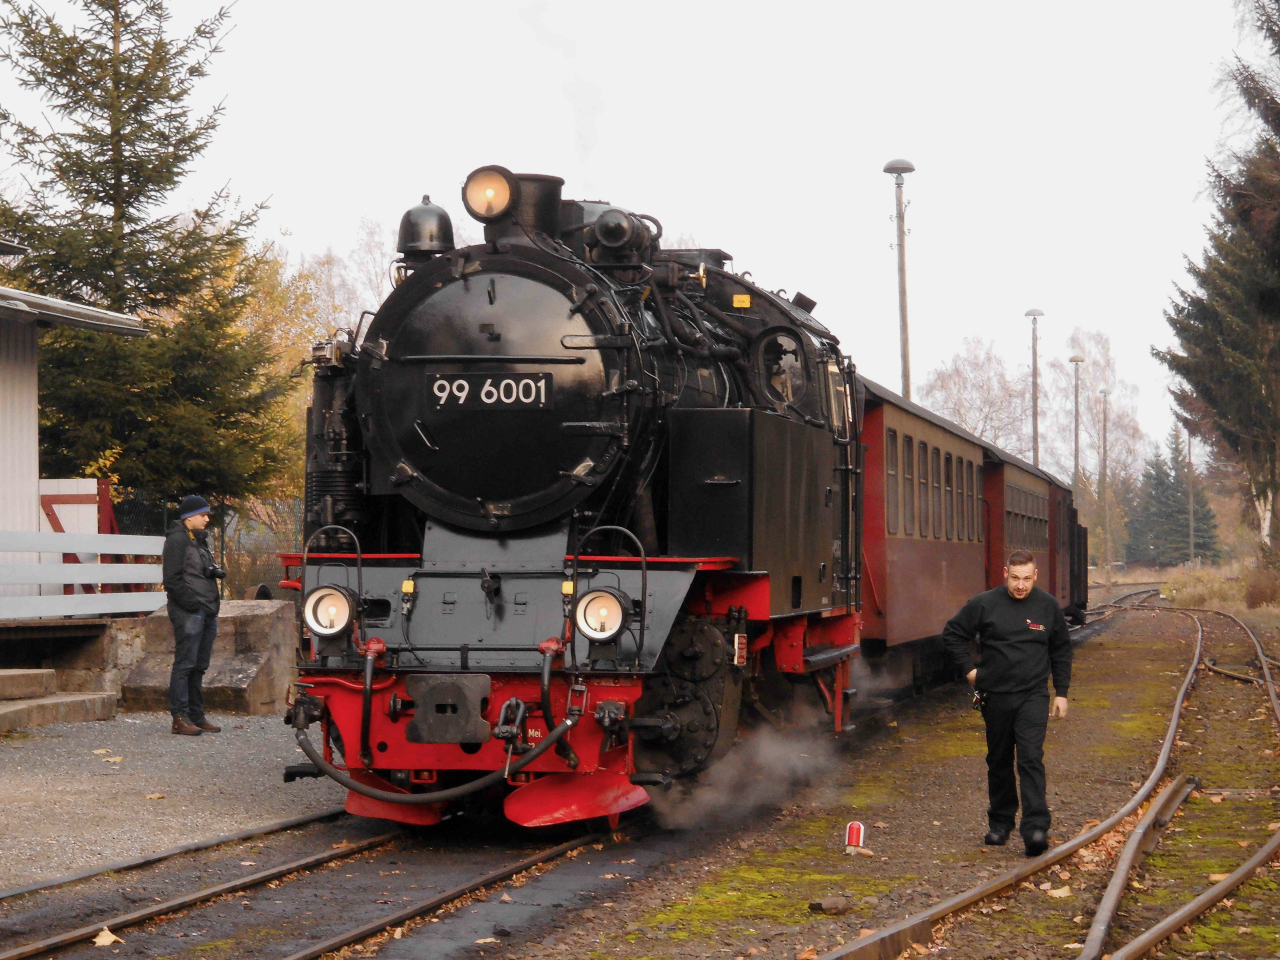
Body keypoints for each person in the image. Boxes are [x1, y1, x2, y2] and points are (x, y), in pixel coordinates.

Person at [941, 549, 1072, 856]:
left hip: (1033, 694)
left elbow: (1062, 650)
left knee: (1029, 758)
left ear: (1035, 576)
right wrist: (970, 672)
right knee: (998, 759)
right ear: (1005, 573)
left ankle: (1036, 828)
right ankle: (1000, 824)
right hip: (993, 696)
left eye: (1027, 579)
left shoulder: (1047, 606)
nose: (1020, 585)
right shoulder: (984, 604)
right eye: (1015, 578)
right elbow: (953, 634)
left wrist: (1062, 693)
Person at [161, 495, 225, 736]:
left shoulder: (199, 541)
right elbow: (172, 580)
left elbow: (196, 572)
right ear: (189, 517)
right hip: (190, 611)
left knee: (199, 666)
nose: (207, 519)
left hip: (206, 610)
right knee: (185, 664)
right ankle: (179, 717)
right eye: (203, 514)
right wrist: (192, 605)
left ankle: (196, 716)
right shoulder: (177, 540)